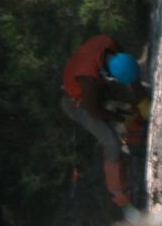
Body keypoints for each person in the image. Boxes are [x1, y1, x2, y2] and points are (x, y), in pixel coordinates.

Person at [60, 35, 149, 209]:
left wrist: (141, 100)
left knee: (142, 94)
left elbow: (131, 76)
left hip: (98, 82)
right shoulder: (87, 79)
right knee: (110, 141)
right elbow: (94, 110)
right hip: (76, 102)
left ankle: (134, 134)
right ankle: (119, 194)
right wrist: (122, 118)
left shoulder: (109, 44)